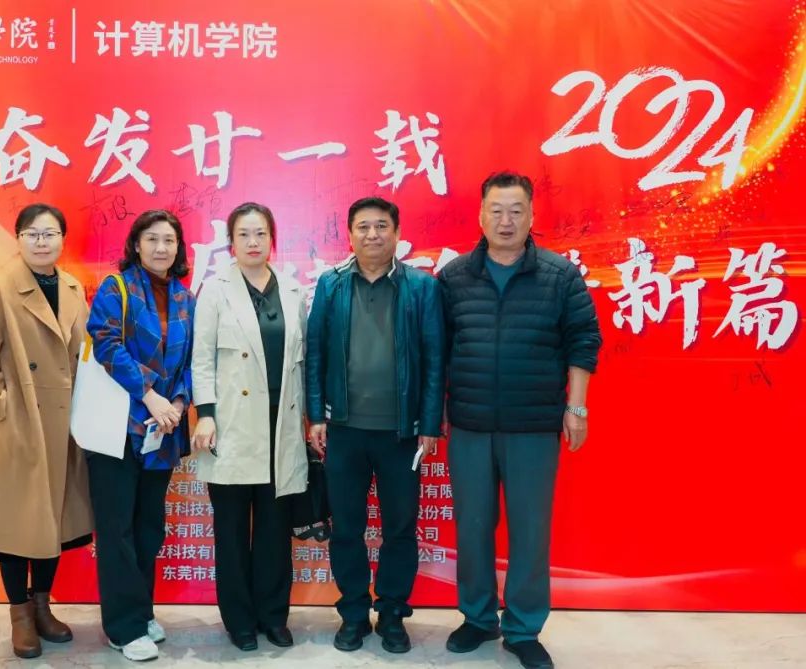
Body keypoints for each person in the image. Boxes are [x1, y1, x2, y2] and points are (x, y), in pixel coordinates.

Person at [438, 171, 602, 669]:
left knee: (530, 530)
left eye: (516, 211)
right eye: (496, 210)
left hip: (533, 427)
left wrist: (576, 407)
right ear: (480, 215)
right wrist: (434, 415)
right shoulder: (454, 277)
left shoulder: (559, 275)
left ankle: (524, 627)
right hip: (469, 424)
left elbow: (583, 340)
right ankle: (478, 617)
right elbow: (437, 350)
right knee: (472, 526)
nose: (505, 221)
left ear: (532, 216)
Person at [305, 196, 445, 654]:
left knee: (400, 527)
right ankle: (352, 613)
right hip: (344, 429)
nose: (372, 234)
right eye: (363, 227)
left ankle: (392, 613)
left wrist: (430, 422)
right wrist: (315, 415)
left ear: (397, 233)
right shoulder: (331, 285)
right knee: (346, 527)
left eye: (381, 226)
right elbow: (316, 353)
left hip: (402, 433)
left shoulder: (421, 288)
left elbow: (434, 359)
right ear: (350, 235)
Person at [0, 203, 93, 659]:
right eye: (33, 234)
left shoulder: (73, 288)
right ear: (18, 238)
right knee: (17, 524)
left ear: (62, 240)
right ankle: (19, 614)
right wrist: (5, 410)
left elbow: (84, 353)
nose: (42, 242)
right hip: (22, 425)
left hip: (64, 424)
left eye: (50, 234)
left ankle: (42, 606)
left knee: (50, 521)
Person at [190, 202, 308, 652]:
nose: (253, 242)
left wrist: (311, 419)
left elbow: (304, 360)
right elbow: (201, 358)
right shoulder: (215, 290)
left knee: (276, 530)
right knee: (233, 530)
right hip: (231, 426)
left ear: (272, 239)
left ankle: (273, 616)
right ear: (231, 242)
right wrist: (206, 413)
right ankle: (239, 620)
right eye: (244, 234)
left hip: (281, 425)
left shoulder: (293, 290)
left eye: (260, 234)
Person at [85, 209, 195, 662]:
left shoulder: (185, 297)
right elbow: (106, 343)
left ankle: (142, 609)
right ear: (136, 244)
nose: (161, 248)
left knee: (149, 527)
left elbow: (192, 360)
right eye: (152, 239)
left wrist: (180, 404)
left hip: (162, 430)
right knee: (117, 530)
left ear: (179, 247)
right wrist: (149, 395)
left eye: (169, 240)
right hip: (118, 428)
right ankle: (123, 627)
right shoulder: (117, 288)